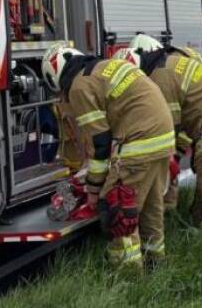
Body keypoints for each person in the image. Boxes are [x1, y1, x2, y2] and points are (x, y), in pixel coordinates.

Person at [43, 44, 175, 269]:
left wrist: (94, 190)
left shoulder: (79, 87)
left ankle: (127, 276)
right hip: (162, 138)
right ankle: (156, 263)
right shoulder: (104, 67)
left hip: (140, 144)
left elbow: (99, 144)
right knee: (149, 208)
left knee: (118, 211)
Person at [123, 35, 202, 234]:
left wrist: (165, 159)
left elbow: (166, 128)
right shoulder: (172, 62)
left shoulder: (160, 77)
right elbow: (182, 123)